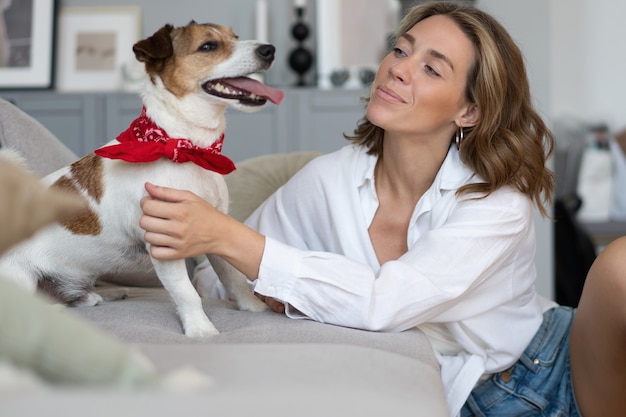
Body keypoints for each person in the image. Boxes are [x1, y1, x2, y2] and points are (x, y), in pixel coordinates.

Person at [139, 2, 624, 416]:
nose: (398, 67)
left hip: (551, 369)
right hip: (457, 393)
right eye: (401, 49)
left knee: (619, 265)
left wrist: (226, 235)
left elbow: (384, 302)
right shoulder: (325, 180)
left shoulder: (497, 199)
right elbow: (222, 279)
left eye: (432, 68)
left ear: (468, 111)